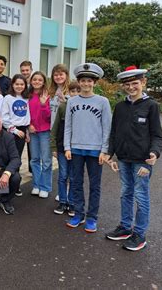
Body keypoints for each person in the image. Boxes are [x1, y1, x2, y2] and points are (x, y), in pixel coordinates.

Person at [104, 66, 162, 251]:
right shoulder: (120, 107)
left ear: (143, 83)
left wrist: (154, 153)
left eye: (135, 83)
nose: (131, 87)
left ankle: (139, 234)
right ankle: (125, 227)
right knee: (126, 193)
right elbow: (114, 133)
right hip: (123, 159)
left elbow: (157, 136)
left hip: (142, 161)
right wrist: (110, 153)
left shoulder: (151, 106)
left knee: (141, 195)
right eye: (127, 84)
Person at [64, 63, 111, 233]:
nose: (86, 84)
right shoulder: (72, 101)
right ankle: (78, 213)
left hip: (95, 150)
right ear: (79, 82)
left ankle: (92, 217)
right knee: (76, 182)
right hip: (76, 149)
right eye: (83, 80)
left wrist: (104, 150)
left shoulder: (103, 102)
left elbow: (107, 127)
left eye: (89, 81)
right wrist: (67, 147)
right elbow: (67, 126)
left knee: (95, 185)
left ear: (95, 83)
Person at [50, 80, 80, 216]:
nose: (75, 94)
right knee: (63, 175)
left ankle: (72, 203)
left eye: (77, 91)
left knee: (73, 176)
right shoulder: (63, 106)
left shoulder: (82, 107)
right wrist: (53, 146)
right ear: (69, 93)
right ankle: (63, 201)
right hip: (62, 147)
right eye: (72, 91)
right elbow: (55, 127)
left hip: (77, 149)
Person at [1, 74, 30, 196]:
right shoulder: (7, 98)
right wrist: (14, 130)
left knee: (17, 159)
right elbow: (4, 116)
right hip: (10, 131)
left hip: (22, 131)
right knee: (5, 158)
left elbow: (27, 116)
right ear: (12, 84)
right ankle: (2, 188)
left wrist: (26, 131)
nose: (19, 86)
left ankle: (15, 186)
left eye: (22, 84)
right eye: (17, 84)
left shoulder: (27, 98)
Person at [28, 71, 52, 199]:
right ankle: (36, 185)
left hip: (45, 131)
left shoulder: (47, 96)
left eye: (39, 80)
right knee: (34, 159)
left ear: (43, 82)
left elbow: (49, 117)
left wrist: (43, 105)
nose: (37, 81)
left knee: (46, 160)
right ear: (31, 81)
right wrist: (29, 125)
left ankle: (45, 187)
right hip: (33, 131)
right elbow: (25, 114)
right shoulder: (28, 95)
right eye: (34, 79)